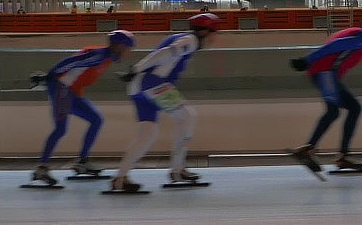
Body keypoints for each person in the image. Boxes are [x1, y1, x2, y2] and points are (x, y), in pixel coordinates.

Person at [106, 13, 220, 193]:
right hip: (153, 83)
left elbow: (163, 53)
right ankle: (177, 171)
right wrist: (136, 68)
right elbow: (164, 53)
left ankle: (120, 178)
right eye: (215, 32)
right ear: (205, 31)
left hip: (138, 87)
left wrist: (135, 72)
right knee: (187, 116)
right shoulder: (190, 40)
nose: (216, 37)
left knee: (147, 133)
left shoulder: (183, 38)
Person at [287, 18, 362, 173]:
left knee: (354, 108)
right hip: (324, 72)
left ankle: (341, 156)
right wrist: (307, 60)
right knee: (335, 111)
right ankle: (310, 150)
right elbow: (336, 45)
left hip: (326, 73)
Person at [27, 30, 136, 187]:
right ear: (119, 46)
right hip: (62, 89)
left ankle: (82, 162)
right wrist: (50, 76)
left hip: (72, 93)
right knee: (61, 129)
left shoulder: (106, 58)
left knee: (96, 120)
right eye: (127, 49)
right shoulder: (98, 55)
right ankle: (41, 168)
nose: (128, 53)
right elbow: (70, 62)